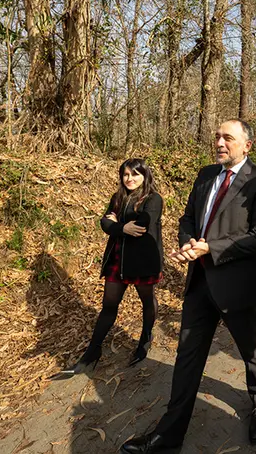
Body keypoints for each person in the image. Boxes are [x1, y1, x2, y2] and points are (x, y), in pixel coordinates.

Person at [122, 119, 256, 454]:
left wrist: (212, 248)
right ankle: (169, 435)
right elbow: (188, 219)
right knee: (187, 359)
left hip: (238, 285)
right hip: (199, 283)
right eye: (217, 136)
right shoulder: (206, 174)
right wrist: (188, 242)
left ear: (247, 146)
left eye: (228, 138)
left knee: (252, 349)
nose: (220, 142)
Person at [52, 158, 164, 379]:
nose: (130, 179)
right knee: (108, 306)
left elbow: (141, 226)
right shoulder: (118, 198)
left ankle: (145, 338)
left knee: (147, 300)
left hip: (143, 261)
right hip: (118, 259)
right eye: (126, 175)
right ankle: (92, 351)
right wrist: (121, 226)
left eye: (135, 174)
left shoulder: (153, 199)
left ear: (145, 176)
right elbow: (104, 223)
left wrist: (116, 225)